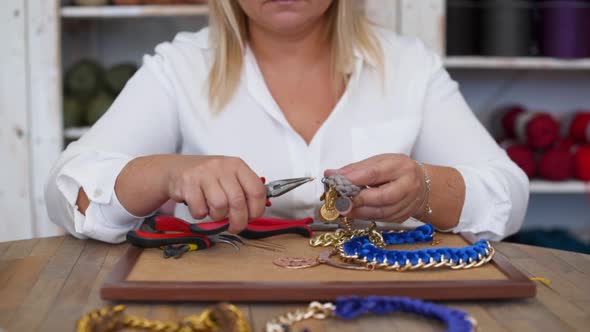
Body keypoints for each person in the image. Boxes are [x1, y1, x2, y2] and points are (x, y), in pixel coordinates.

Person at [45, 0, 529, 244]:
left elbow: (509, 195)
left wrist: (423, 190)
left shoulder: (408, 67)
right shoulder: (180, 67)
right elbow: (67, 195)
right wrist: (167, 173)